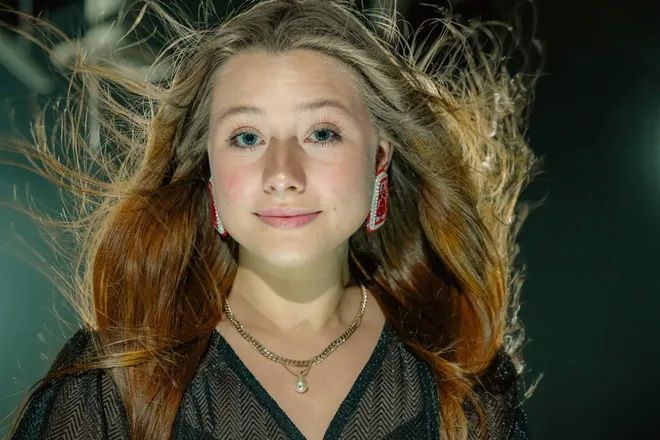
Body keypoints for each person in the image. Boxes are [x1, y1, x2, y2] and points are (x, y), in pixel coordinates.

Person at [4, 0, 543, 439]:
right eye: (247, 137)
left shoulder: (463, 377)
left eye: (322, 133)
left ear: (380, 156)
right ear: (207, 166)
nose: (282, 174)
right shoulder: (112, 385)